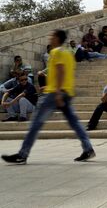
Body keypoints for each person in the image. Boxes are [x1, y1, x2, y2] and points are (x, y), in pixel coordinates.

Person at [1, 29, 95, 164]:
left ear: (57, 38)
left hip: (55, 94)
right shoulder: (68, 53)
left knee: (36, 123)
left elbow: (61, 72)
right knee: (74, 123)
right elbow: (66, 73)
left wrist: (56, 92)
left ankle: (22, 154)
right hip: (66, 92)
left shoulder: (56, 52)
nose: (50, 38)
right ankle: (88, 149)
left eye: (52, 36)